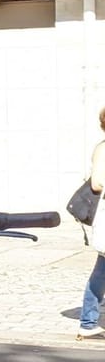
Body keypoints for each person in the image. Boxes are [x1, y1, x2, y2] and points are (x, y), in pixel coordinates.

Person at [80, 106, 105, 340]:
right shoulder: (103, 149)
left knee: (102, 271)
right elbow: (97, 184)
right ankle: (87, 322)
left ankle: (87, 322)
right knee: (101, 272)